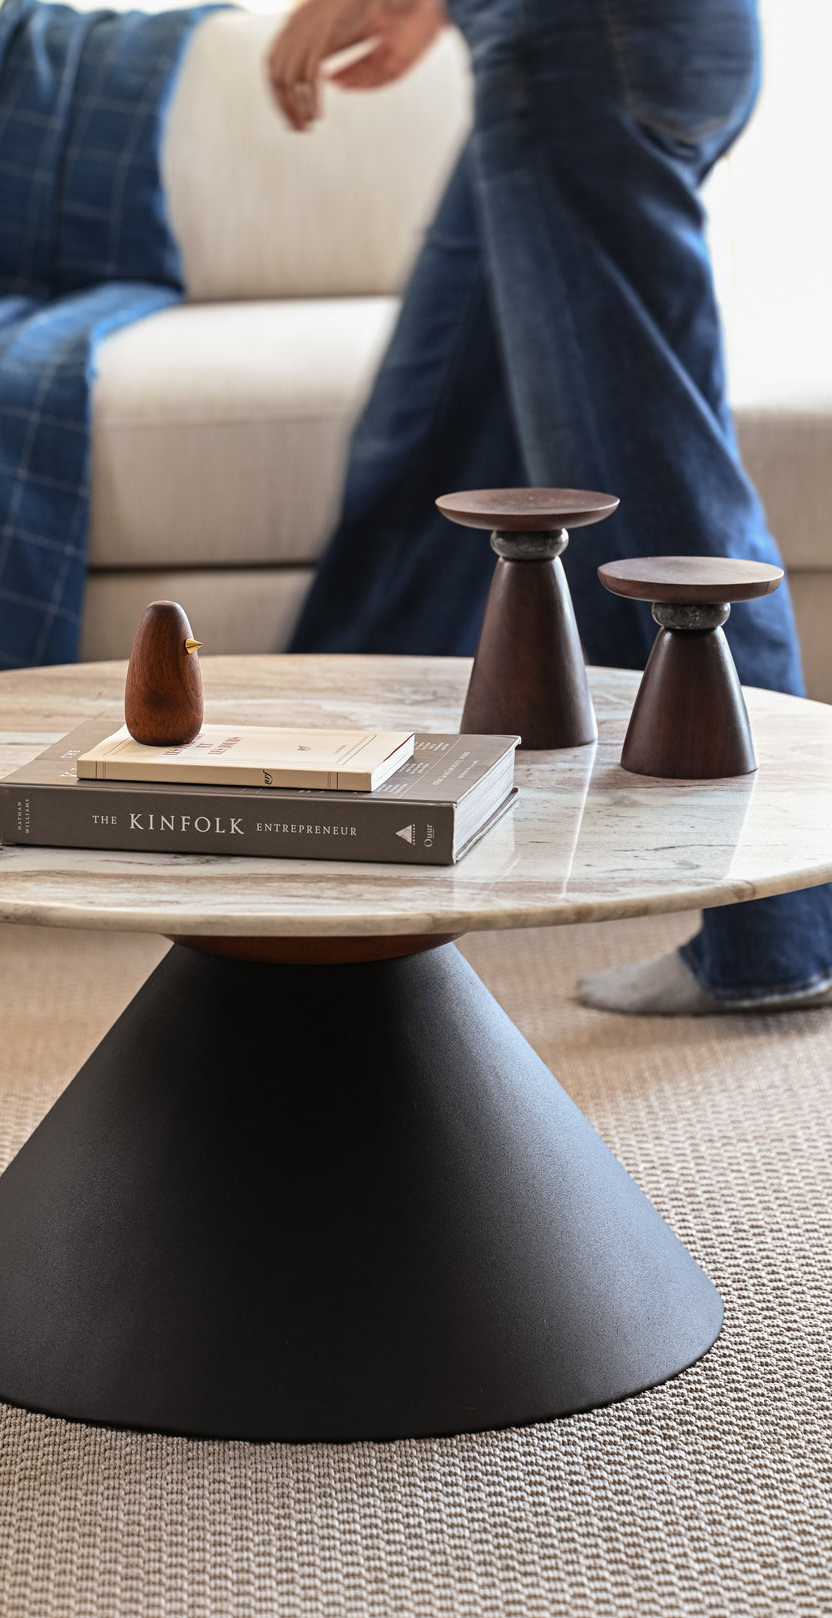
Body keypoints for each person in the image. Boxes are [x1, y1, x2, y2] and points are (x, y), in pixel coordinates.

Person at [267, 0, 832, 1015]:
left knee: (650, 494)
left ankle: (781, 933)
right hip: (572, 37)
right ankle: (325, 895)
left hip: (579, 36)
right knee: (427, 456)